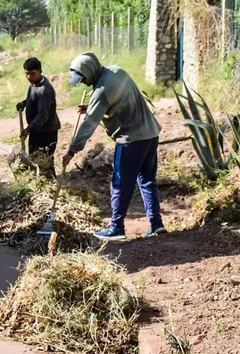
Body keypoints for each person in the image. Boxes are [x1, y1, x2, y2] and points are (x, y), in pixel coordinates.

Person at [61, 52, 165, 240]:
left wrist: (72, 150)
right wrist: (91, 106)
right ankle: (156, 224)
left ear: (90, 71)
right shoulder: (116, 71)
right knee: (147, 180)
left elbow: (89, 124)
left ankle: (116, 227)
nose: (82, 82)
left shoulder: (100, 91)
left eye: (83, 78)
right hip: (150, 134)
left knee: (120, 183)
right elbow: (118, 97)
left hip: (131, 140)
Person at [16, 57, 61, 176]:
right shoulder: (34, 84)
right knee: (34, 163)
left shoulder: (45, 90)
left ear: (40, 71)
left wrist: (28, 129)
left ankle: (51, 190)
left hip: (46, 133)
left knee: (44, 164)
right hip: (36, 130)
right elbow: (34, 99)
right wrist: (24, 103)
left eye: (32, 74)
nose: (29, 77)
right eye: (27, 74)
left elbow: (43, 115)